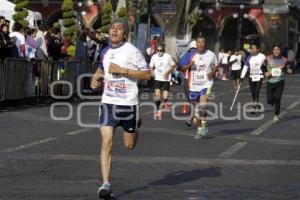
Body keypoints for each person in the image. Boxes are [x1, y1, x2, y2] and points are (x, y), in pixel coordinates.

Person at [90, 18, 151, 199]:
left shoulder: (133, 51)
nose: (115, 30)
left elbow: (147, 74)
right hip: (108, 102)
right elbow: (102, 68)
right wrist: (96, 77)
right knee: (106, 142)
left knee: (129, 145)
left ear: (125, 33)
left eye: (119, 28)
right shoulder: (106, 50)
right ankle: (105, 184)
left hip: (128, 104)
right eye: (112, 28)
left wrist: (124, 71)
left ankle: (135, 124)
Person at [180, 35, 218, 139]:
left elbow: (216, 65)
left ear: (205, 44)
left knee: (203, 107)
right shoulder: (190, 54)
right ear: (196, 44)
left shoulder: (211, 55)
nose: (200, 44)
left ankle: (202, 127)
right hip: (193, 85)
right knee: (197, 110)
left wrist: (212, 72)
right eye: (198, 42)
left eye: (202, 42)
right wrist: (189, 65)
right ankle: (201, 127)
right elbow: (182, 69)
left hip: (206, 84)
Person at [265, 45, 292, 123]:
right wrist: (265, 72)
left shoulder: (284, 60)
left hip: (280, 81)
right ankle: (271, 101)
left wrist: (289, 70)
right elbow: (263, 66)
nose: (276, 51)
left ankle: (276, 116)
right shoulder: (268, 58)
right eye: (274, 49)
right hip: (270, 81)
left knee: (278, 98)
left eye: (278, 49)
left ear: (280, 50)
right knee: (269, 100)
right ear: (272, 51)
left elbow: (288, 68)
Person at [149, 44, 176, 119]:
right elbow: (151, 66)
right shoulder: (154, 57)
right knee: (157, 96)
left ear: (164, 50)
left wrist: (167, 72)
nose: (159, 52)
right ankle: (158, 111)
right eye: (158, 50)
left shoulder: (168, 56)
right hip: (157, 77)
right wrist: (152, 72)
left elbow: (173, 66)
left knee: (165, 96)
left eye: (161, 50)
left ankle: (165, 101)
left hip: (166, 79)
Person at [240, 43, 266, 114]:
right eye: (252, 48)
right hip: (251, 76)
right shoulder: (249, 57)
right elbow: (245, 67)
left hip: (259, 76)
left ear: (258, 49)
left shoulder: (262, 56)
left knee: (256, 91)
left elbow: (267, 64)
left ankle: (254, 107)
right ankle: (257, 103)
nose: (253, 50)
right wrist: (242, 76)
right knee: (253, 92)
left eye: (254, 48)